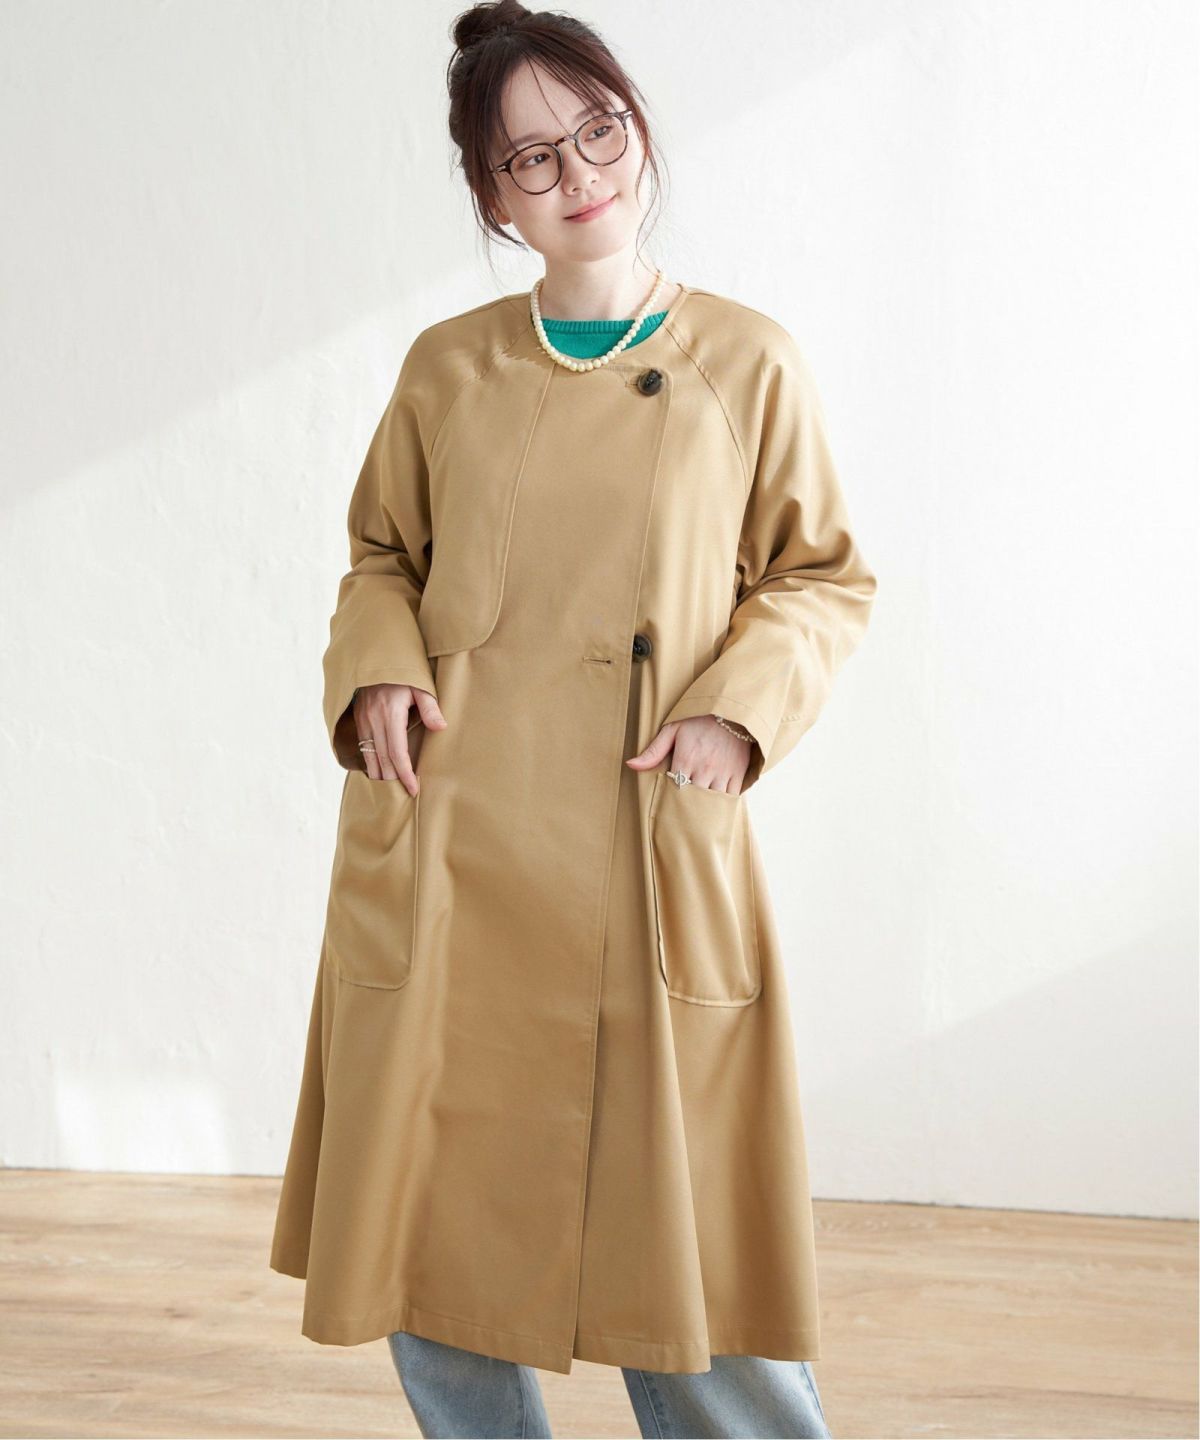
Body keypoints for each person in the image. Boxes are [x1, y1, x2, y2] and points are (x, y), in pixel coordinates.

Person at [269, 2, 877, 1436]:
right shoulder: (448, 367)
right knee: (433, 1221)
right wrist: (378, 671)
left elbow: (820, 577)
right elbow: (382, 557)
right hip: (451, 839)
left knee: (693, 1254)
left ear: (636, 128)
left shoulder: (746, 361)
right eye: (530, 157)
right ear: (493, 195)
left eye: (596, 131)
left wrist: (736, 713)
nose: (577, 174)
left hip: (646, 828)